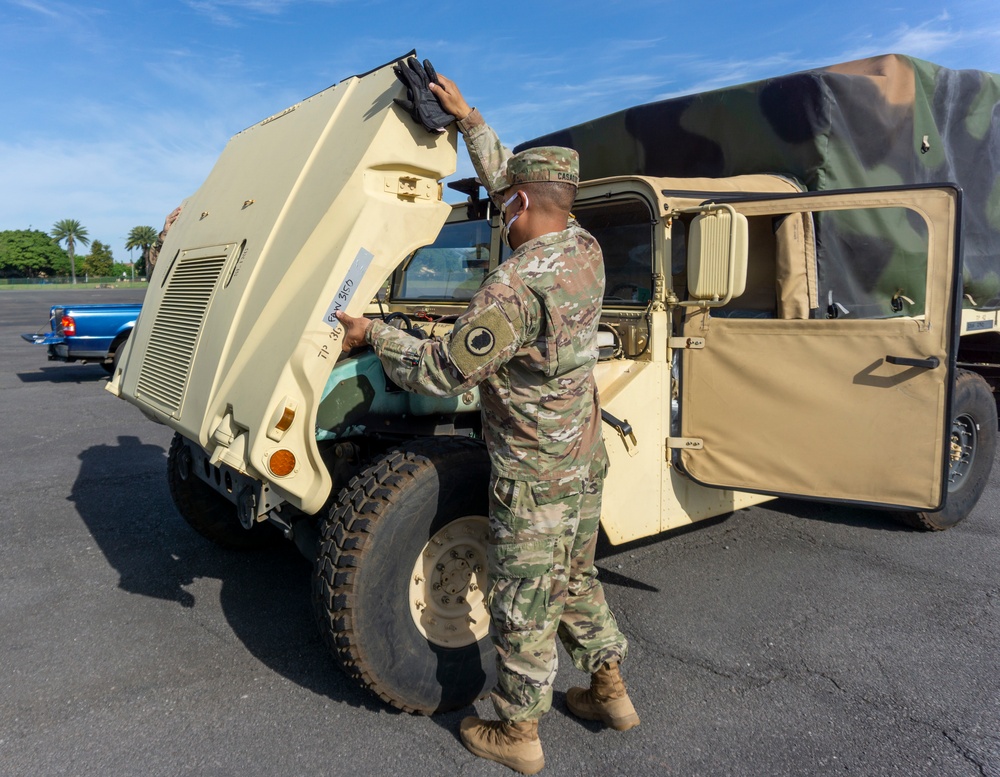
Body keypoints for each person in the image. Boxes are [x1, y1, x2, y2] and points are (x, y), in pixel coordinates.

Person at [336, 70, 638, 775]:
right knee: (574, 574)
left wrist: (374, 335)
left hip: (533, 470)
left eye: (506, 205)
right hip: (582, 452)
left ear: (524, 203)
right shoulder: (583, 249)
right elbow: (516, 180)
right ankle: (609, 688)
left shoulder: (516, 283)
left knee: (524, 593)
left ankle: (519, 733)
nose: (501, 212)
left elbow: (442, 370)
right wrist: (469, 119)